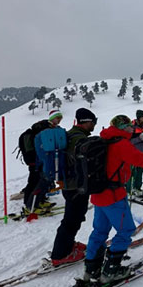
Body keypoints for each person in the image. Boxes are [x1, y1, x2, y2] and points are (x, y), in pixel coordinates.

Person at [80, 115, 143, 287]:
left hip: (98, 195)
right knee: (126, 230)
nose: (132, 128)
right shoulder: (121, 144)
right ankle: (111, 271)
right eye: (129, 126)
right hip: (114, 195)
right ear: (122, 127)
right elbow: (141, 160)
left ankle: (91, 269)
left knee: (99, 231)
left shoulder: (104, 139)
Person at [49, 108, 97, 266]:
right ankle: (60, 254)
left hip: (69, 184)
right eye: (93, 122)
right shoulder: (79, 139)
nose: (94, 125)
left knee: (73, 217)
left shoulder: (71, 135)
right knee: (71, 220)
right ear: (86, 122)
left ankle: (68, 245)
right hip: (75, 185)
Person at [24, 110, 65, 214]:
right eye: (57, 117)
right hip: (44, 162)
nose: (59, 120)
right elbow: (40, 148)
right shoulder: (44, 131)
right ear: (52, 118)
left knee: (45, 183)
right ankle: (31, 206)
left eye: (60, 118)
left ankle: (39, 202)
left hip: (51, 162)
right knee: (41, 183)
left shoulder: (56, 129)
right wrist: (42, 161)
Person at [128, 110, 143, 197]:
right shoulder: (132, 127)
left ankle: (137, 187)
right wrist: (140, 138)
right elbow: (129, 141)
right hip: (133, 152)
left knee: (140, 171)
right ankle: (128, 189)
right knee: (132, 171)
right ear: (139, 117)